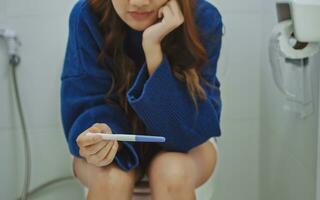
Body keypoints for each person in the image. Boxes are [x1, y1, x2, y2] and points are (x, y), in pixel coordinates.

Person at [60, 0, 223, 199]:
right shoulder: (87, 14)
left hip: (188, 143)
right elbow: (86, 100)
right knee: (111, 178)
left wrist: (153, 50)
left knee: (173, 174)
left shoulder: (203, 18)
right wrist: (102, 135)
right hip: (116, 140)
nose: (139, 2)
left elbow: (187, 133)